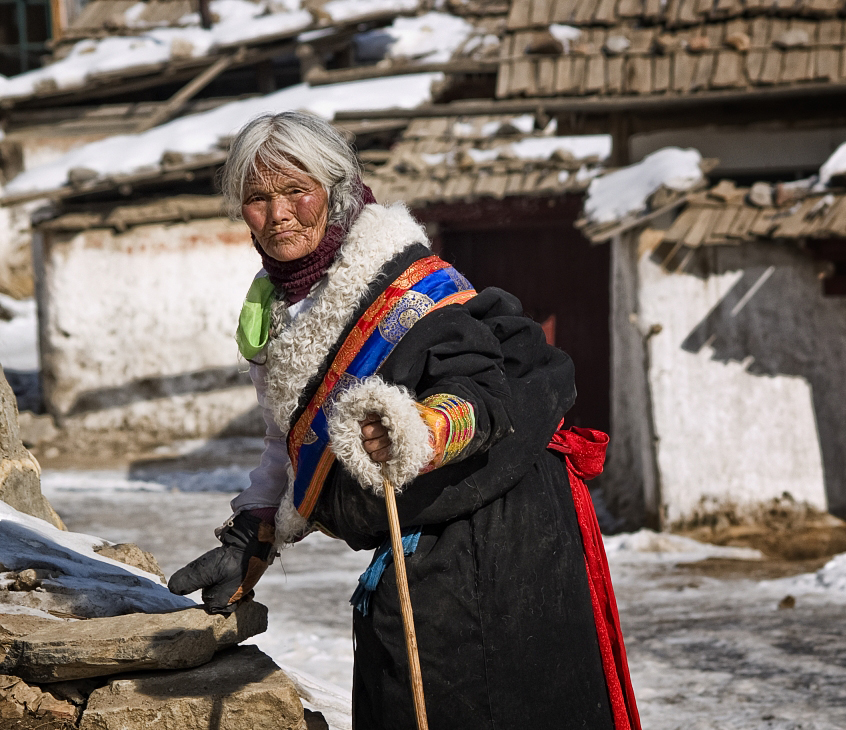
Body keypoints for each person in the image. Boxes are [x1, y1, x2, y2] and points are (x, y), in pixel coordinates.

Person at [167, 111, 641, 730]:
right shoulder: (281, 302)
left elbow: (479, 395)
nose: (278, 214)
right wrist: (254, 534)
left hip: (495, 537)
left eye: (295, 191)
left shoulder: (411, 290)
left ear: (335, 193)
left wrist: (413, 428)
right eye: (257, 198)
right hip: (417, 535)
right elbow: (294, 436)